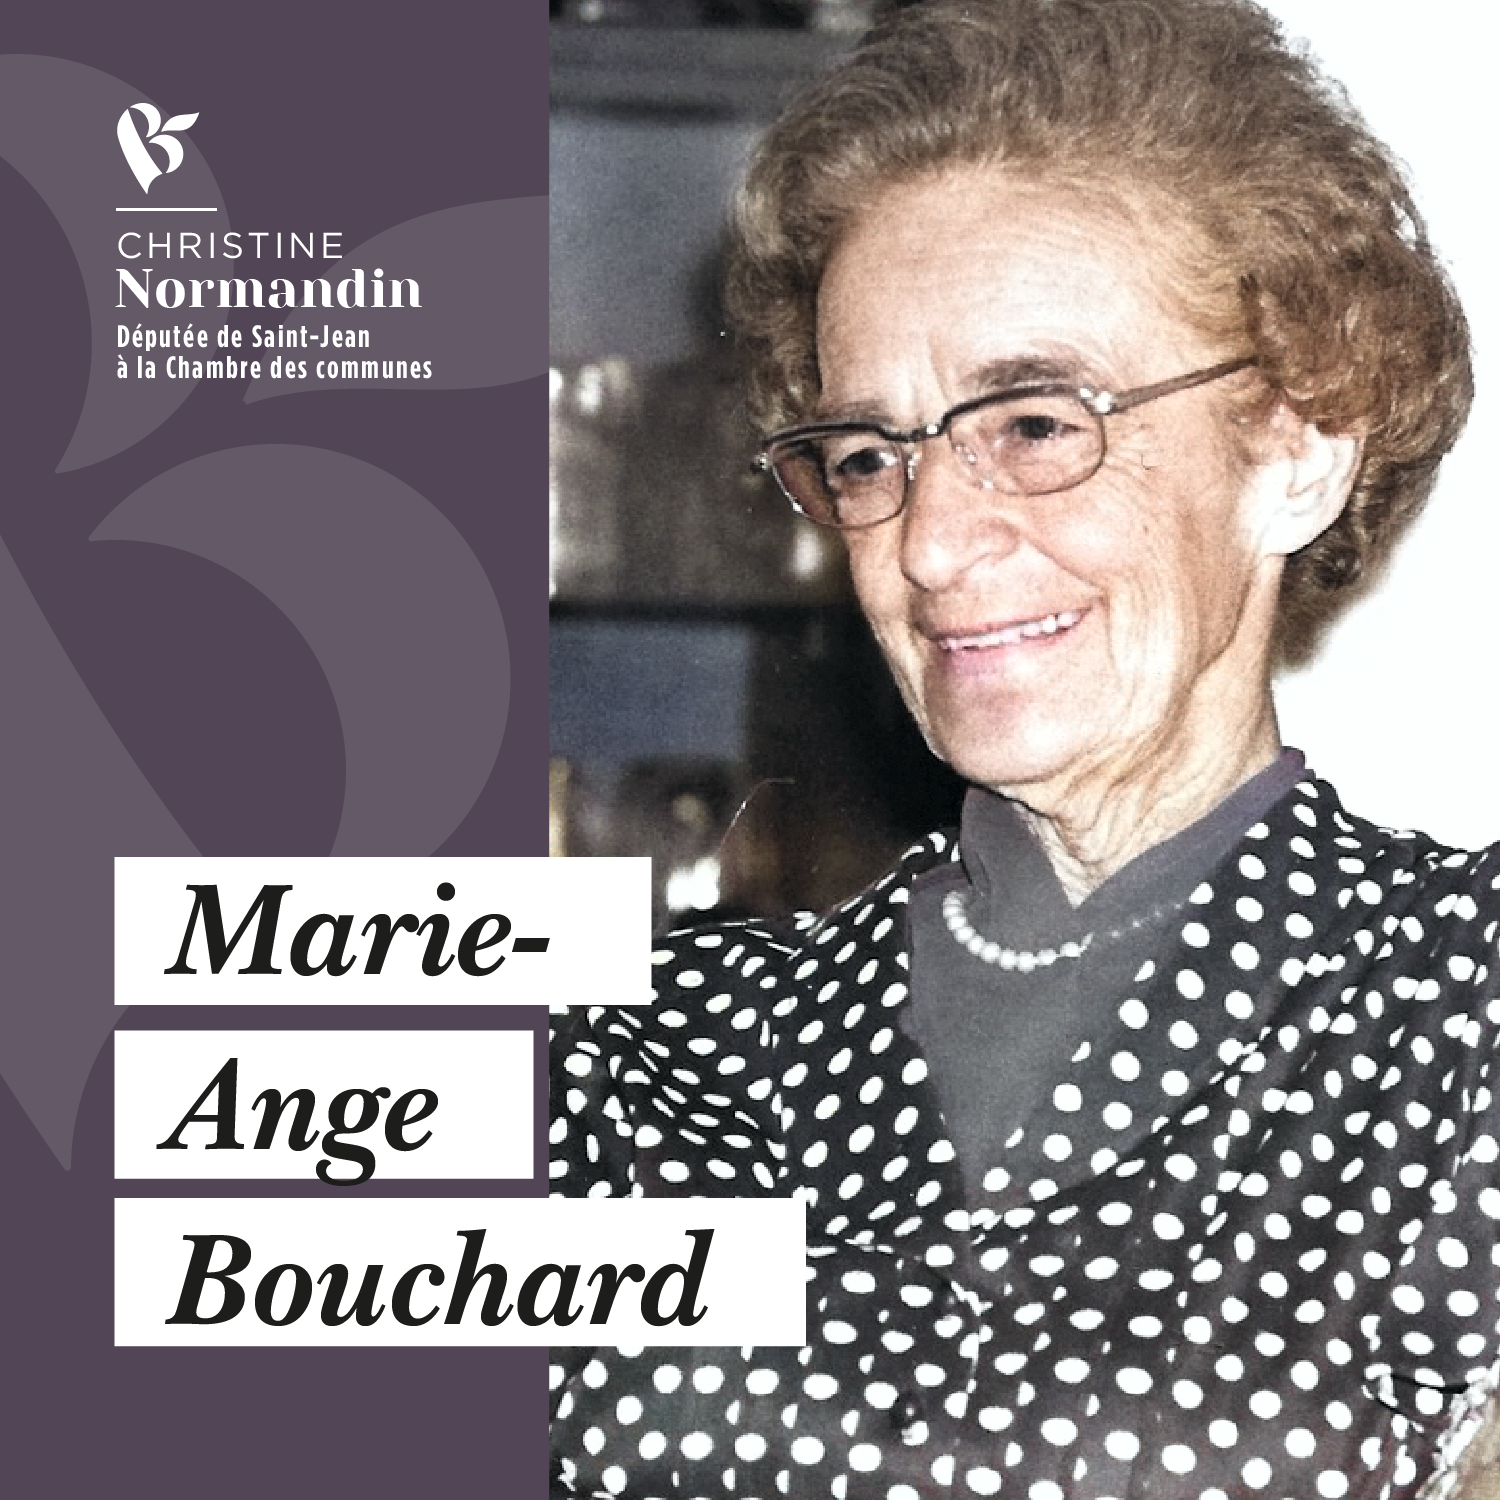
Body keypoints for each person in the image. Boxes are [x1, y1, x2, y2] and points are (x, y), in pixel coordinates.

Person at [549, 0, 1499, 1494]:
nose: (926, 545)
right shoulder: (658, 1041)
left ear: (1298, 449)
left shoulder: (1456, 1010)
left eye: (1037, 425)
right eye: (869, 454)